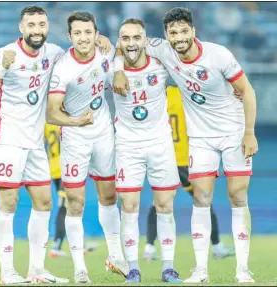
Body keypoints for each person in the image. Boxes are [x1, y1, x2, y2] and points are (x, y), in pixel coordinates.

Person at [113, 7, 259, 284]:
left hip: (233, 133)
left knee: (238, 198)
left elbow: (248, 90)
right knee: (201, 199)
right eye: (173, 32)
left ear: (193, 31)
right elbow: (125, 43)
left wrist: (249, 133)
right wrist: (119, 69)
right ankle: (200, 270)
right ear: (166, 34)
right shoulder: (163, 49)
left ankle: (242, 270)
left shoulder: (219, 55)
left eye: (183, 31)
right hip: (200, 138)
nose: (178, 37)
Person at [0, 5, 69, 285]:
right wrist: (3, 69)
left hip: (35, 141)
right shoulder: (5, 54)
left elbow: (79, 58)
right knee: (9, 202)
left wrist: (100, 40)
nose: (37, 30)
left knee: (44, 202)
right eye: (31, 25)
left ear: (47, 26)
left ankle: (37, 270)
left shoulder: (53, 53)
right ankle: (7, 272)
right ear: (21, 28)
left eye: (41, 24)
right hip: (8, 138)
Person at [46, 11, 127, 283]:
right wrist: (74, 121)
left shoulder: (106, 53)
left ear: (95, 34)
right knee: (75, 203)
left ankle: (115, 257)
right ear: (70, 36)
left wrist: (116, 70)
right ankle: (80, 267)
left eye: (88, 32)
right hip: (74, 137)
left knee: (109, 197)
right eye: (77, 33)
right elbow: (51, 113)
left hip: (104, 133)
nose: (83, 38)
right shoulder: (63, 68)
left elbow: (119, 50)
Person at [111, 18, 183, 283]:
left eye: (136, 37)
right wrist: (117, 67)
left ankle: (168, 268)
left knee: (165, 205)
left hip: (160, 143)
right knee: (128, 206)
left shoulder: (160, 64)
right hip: (127, 146)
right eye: (125, 38)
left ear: (145, 40)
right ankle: (133, 268)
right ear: (120, 41)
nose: (131, 43)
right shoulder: (110, 66)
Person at [144, 85, 235, 261]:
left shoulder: (155, 98)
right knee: (203, 202)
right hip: (185, 160)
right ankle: (217, 246)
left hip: (163, 160)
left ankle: (149, 248)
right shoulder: (185, 95)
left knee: (158, 204)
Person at [44, 123, 97, 258]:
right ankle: (57, 245)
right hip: (66, 168)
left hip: (54, 168)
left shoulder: (48, 123)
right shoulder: (67, 121)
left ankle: (80, 244)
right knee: (65, 206)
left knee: (71, 206)